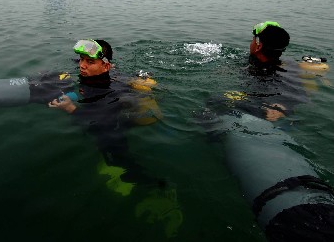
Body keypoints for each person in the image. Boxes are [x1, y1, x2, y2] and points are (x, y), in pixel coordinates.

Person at [205, 22, 334, 242]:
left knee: (210, 106)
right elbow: (300, 94)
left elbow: (288, 98)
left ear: (257, 44)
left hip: (263, 117)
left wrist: (280, 107)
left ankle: (210, 142)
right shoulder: (288, 65)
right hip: (279, 119)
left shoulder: (264, 70)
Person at [48, 39, 183, 238]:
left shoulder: (109, 91)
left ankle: (158, 186)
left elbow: (99, 124)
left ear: (106, 66)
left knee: (115, 154)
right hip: (114, 104)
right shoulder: (90, 73)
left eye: (89, 62)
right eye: (81, 60)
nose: (82, 65)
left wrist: (71, 109)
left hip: (118, 117)